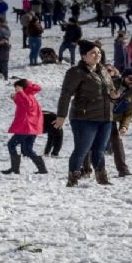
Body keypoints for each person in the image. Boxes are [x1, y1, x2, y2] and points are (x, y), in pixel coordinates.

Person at [54, 40, 119, 187]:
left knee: (100, 150)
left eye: (99, 52)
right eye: (93, 53)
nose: (97, 55)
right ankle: (73, 178)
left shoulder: (103, 70)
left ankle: (102, 178)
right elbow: (65, 95)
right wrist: (61, 116)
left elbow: (110, 90)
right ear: (84, 56)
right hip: (84, 117)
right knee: (82, 149)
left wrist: (114, 96)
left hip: (105, 117)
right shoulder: (76, 72)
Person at [1, 79, 47, 175]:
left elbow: (28, 105)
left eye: (16, 88)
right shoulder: (28, 95)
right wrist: (15, 99)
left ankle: (15, 168)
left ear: (21, 87)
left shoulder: (27, 95)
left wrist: (20, 93)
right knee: (27, 149)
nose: (15, 90)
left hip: (27, 127)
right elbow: (23, 107)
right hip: (31, 127)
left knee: (11, 144)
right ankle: (42, 169)